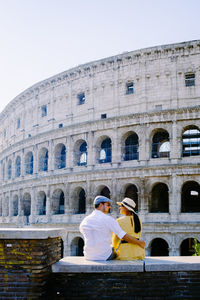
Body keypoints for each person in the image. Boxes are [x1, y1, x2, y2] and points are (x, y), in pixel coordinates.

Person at [79, 195, 145, 260]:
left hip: (88, 255)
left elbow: (82, 231)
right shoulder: (109, 219)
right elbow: (123, 236)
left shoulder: (85, 220)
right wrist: (140, 243)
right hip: (104, 256)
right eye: (108, 205)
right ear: (101, 205)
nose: (109, 207)